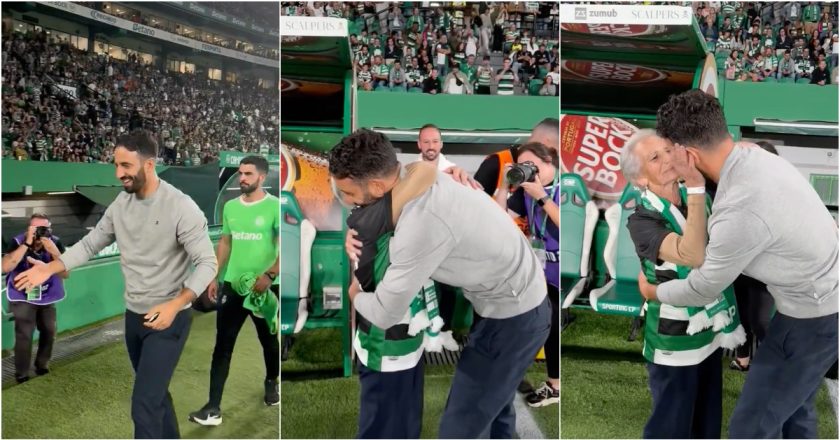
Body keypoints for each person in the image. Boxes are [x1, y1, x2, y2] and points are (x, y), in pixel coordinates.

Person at [637, 89, 838, 439]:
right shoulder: (753, 155)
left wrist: (654, 291)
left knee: (751, 427)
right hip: (813, 305)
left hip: (814, 316)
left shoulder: (740, 209)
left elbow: (703, 286)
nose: (668, 162)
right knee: (795, 412)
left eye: (670, 152)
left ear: (688, 153)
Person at [330, 129, 550, 439]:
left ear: (378, 186)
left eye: (350, 194)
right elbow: (421, 173)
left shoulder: (419, 224)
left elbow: (383, 313)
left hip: (514, 314)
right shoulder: (411, 174)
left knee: (459, 429)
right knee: (496, 410)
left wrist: (354, 292)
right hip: (510, 298)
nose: (349, 203)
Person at [13, 129, 217, 439]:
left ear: (149, 165)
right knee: (156, 396)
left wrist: (176, 304)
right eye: (115, 165)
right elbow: (89, 244)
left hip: (168, 318)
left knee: (143, 404)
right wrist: (49, 269)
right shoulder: (121, 205)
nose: (118, 173)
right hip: (134, 317)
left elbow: (208, 262)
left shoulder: (180, 207)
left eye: (125, 166)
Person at [621, 130, 746, 438]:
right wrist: (695, 187)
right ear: (640, 180)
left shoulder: (700, 195)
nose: (667, 159)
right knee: (671, 428)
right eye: (654, 157)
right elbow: (692, 254)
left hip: (711, 328)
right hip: (674, 339)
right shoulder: (642, 220)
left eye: (667, 150)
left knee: (706, 425)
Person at [189, 156, 280, 426]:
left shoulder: (275, 207)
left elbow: (287, 244)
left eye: (248, 174)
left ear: (261, 177)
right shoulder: (230, 207)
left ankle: (271, 382)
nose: (242, 178)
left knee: (269, 341)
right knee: (223, 346)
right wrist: (215, 275)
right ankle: (213, 408)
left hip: (264, 288)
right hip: (232, 286)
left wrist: (270, 275)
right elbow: (226, 243)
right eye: (240, 173)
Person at [493, 143, 560, 407]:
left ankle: (555, 385)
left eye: (533, 166)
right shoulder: (527, 190)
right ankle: (550, 383)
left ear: (549, 161)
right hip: (540, 268)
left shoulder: (562, 187)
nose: (529, 171)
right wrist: (503, 184)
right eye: (524, 166)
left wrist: (542, 196)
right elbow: (498, 217)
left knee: (551, 326)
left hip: (562, 267)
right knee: (538, 324)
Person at [2, 213, 69, 383]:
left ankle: (42, 365)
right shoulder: (17, 241)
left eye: (43, 229)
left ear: (50, 229)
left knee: (49, 330)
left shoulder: (55, 242)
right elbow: (5, 267)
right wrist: (27, 243)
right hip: (22, 294)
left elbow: (66, 273)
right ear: (29, 229)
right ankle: (22, 374)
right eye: (36, 228)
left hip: (46, 294)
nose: (40, 233)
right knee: (24, 334)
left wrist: (52, 249)